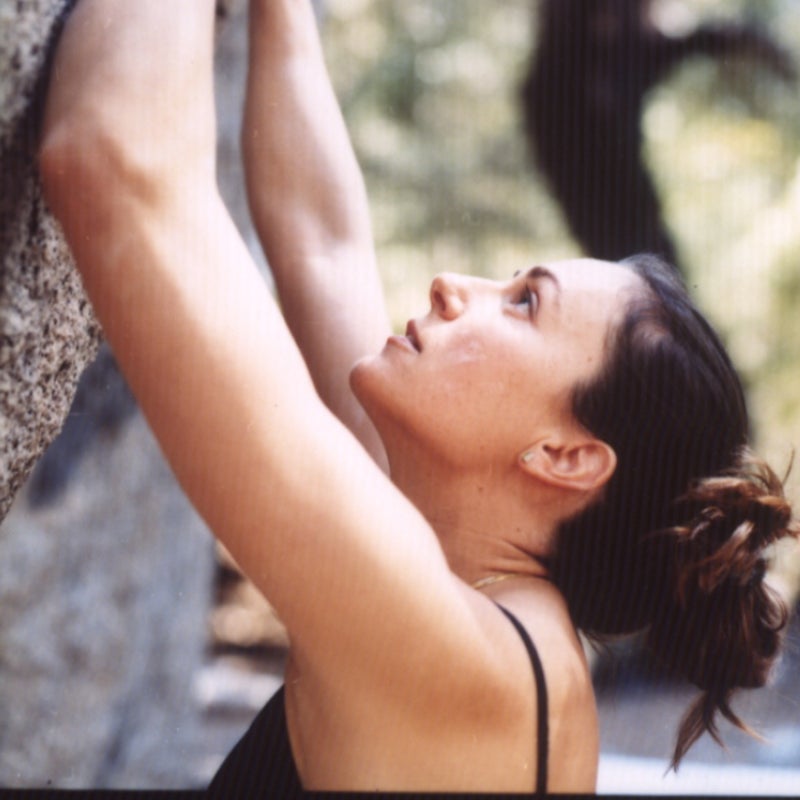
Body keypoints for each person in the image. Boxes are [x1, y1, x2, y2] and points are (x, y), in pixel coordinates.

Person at [38, 0, 797, 794]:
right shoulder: (464, 581)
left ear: (565, 456)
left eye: (523, 303)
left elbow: (111, 159)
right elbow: (321, 243)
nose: (451, 286)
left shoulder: (457, 656)